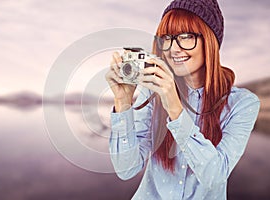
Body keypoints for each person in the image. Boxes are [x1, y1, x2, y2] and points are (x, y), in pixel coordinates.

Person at [105, 0, 260, 199]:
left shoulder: (243, 104)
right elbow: (126, 169)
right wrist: (123, 102)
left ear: (210, 41)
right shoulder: (152, 91)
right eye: (167, 38)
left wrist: (176, 111)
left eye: (186, 37)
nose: (174, 49)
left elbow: (215, 175)